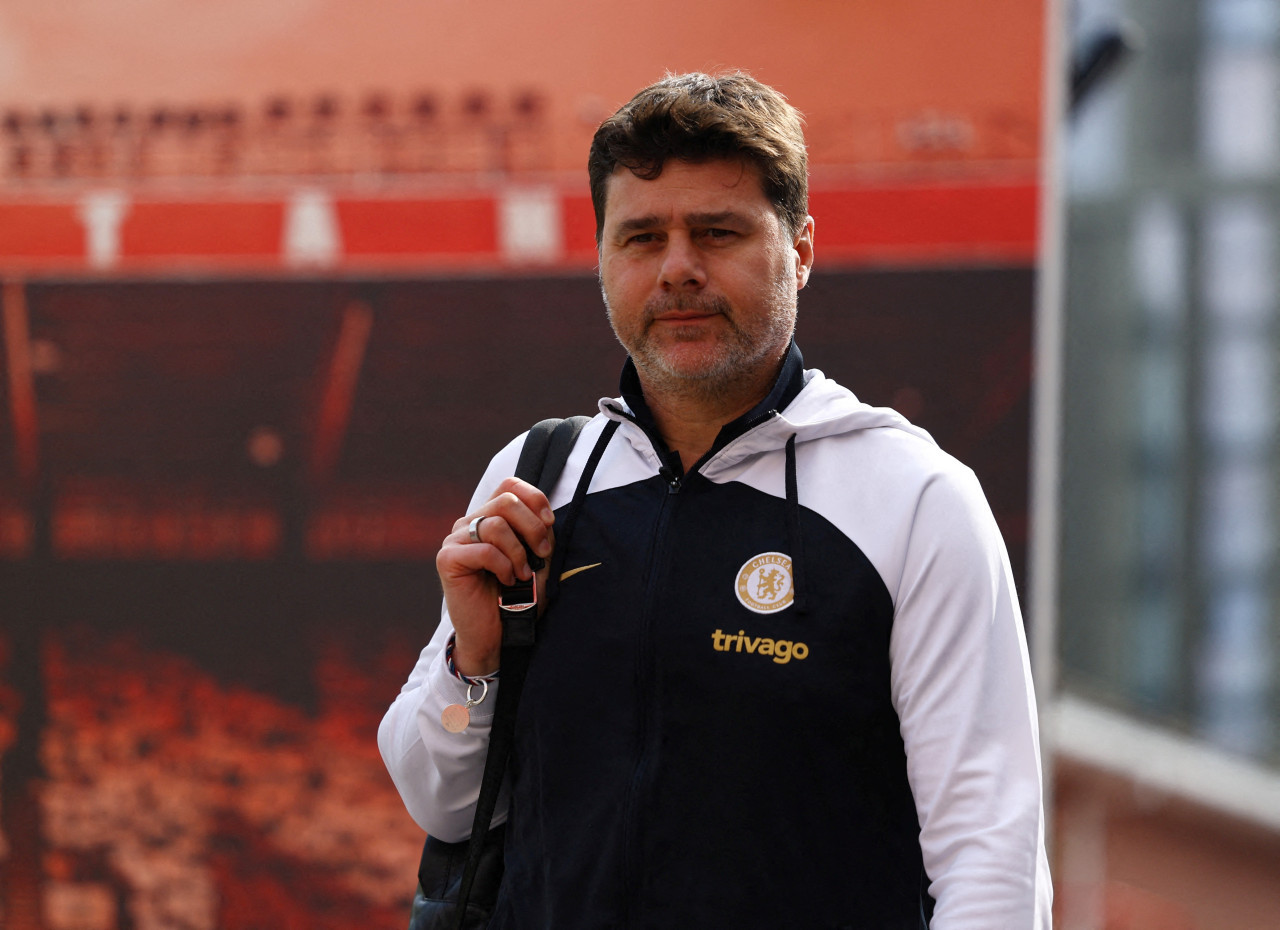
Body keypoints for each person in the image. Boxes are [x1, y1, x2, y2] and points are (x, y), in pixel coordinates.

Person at [380, 71, 1052, 928]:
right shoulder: (539, 475)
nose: (678, 270)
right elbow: (440, 805)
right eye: (641, 238)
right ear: (601, 259)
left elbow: (989, 856)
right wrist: (474, 664)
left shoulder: (915, 499)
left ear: (801, 250)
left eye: (718, 233)